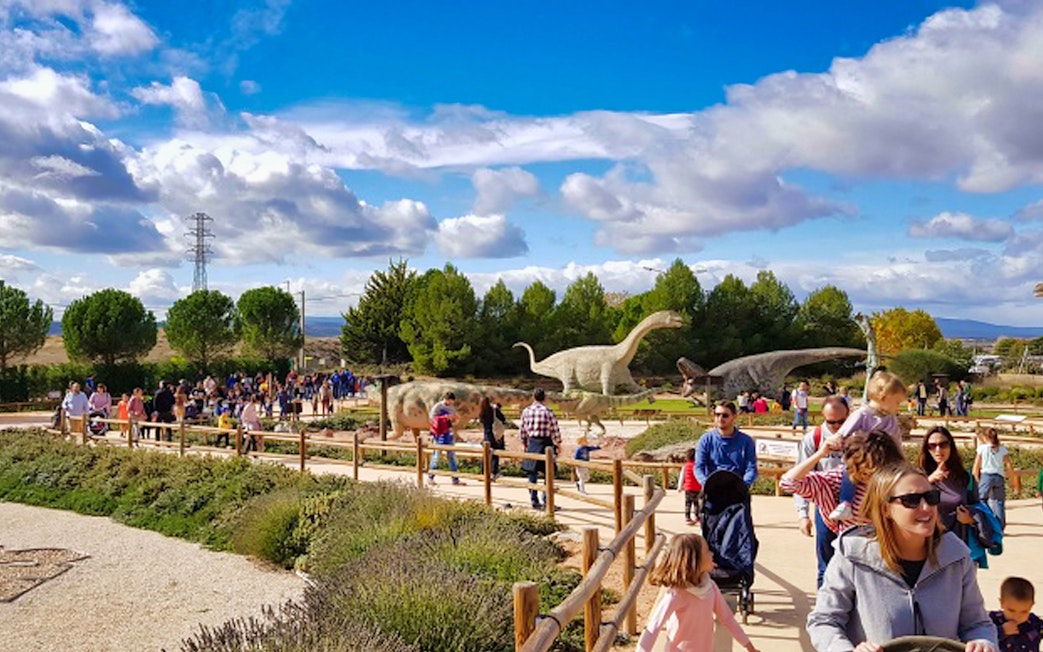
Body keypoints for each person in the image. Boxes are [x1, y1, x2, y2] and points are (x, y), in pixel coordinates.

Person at [807, 463, 998, 652]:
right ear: (885, 509)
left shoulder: (956, 556)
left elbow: (977, 623)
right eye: (911, 500)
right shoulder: (852, 555)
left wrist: (983, 642)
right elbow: (824, 621)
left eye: (931, 497)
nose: (926, 507)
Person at [782, 430, 905, 588]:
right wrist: (821, 453)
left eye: (877, 468)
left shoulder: (899, 483)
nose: (871, 475)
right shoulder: (841, 480)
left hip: (887, 560)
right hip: (850, 560)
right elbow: (788, 482)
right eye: (865, 470)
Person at [637, 532, 759, 652]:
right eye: (707, 551)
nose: (712, 554)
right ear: (694, 561)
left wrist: (748, 646)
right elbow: (654, 627)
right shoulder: (676, 595)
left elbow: (727, 618)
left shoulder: (710, 587)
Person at [830, 370, 907, 522]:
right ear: (884, 397)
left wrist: (902, 460)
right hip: (861, 458)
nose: (898, 407)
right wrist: (837, 440)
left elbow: (897, 441)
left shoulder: (890, 419)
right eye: (897, 402)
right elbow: (843, 433)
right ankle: (845, 503)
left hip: (883, 461)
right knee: (849, 472)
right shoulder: (863, 414)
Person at [792, 396, 849, 588]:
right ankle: (824, 609)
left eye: (841, 422)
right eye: (831, 422)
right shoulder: (813, 438)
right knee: (826, 563)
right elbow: (799, 478)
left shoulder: (859, 436)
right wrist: (802, 515)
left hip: (855, 507)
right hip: (826, 506)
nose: (836, 426)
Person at [918, 426, 980, 544]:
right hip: (926, 544)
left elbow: (978, 508)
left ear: (951, 446)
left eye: (943, 444)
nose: (938, 450)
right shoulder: (917, 476)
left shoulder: (964, 477)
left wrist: (970, 519)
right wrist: (929, 480)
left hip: (958, 544)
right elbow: (908, 503)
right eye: (932, 446)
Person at [694, 401, 757, 487]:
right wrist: (706, 483)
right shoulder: (706, 440)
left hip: (738, 492)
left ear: (734, 416)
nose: (720, 418)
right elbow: (698, 467)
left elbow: (751, 468)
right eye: (717, 414)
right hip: (712, 491)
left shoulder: (746, 441)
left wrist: (743, 485)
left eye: (725, 415)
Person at [519, 388, 561, 510]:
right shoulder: (548, 411)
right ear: (545, 397)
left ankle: (534, 500)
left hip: (532, 442)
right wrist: (558, 443)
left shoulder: (526, 411)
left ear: (533, 397)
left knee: (532, 473)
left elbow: (522, 430)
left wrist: (525, 443)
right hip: (546, 443)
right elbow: (555, 429)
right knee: (549, 473)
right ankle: (547, 501)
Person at [974, 427, 1014, 531]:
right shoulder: (1002, 449)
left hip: (986, 475)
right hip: (999, 476)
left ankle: (987, 519)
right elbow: (1009, 465)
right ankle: (999, 526)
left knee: (981, 499)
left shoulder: (982, 448)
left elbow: (976, 466)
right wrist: (1012, 479)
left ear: (985, 437)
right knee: (999, 502)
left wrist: (976, 479)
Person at [990, 576, 1043, 651]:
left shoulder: (1034, 622)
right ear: (1002, 602)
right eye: (1011, 610)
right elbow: (981, 635)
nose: (1017, 616)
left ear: (1031, 606)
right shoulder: (994, 620)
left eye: (1024, 612)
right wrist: (1001, 631)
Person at [428, 391, 464, 486]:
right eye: (450, 402)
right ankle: (430, 477)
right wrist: (445, 418)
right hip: (439, 434)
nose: (451, 404)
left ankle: (455, 478)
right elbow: (432, 419)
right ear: (446, 399)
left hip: (449, 433)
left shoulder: (451, 408)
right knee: (436, 456)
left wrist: (455, 419)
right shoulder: (437, 407)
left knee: (451, 456)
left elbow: (452, 422)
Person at [478, 396, 507, 479]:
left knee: (486, 454)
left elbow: (481, 422)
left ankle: (483, 473)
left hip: (486, 435)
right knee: (495, 454)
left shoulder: (482, 412)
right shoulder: (494, 410)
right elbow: (503, 419)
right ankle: (494, 472)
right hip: (495, 435)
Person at [677, 447, 702, 526]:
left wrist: (679, 487)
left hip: (688, 487)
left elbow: (682, 477)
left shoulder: (686, 466)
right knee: (696, 503)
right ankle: (697, 517)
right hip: (697, 487)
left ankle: (687, 517)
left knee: (688, 503)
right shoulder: (698, 466)